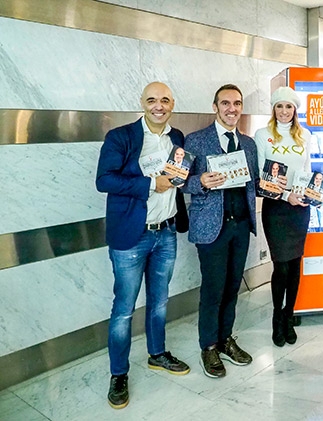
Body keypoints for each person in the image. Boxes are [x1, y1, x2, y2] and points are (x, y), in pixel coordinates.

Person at [96, 82, 190, 409]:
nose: (158, 105)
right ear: (142, 103)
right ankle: (118, 373)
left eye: (164, 100)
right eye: (152, 100)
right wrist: (151, 183)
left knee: (159, 301)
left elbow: (180, 176)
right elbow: (104, 180)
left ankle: (157, 353)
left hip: (166, 233)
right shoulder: (120, 137)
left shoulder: (177, 138)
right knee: (124, 310)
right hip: (131, 236)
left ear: (172, 104)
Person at [183, 84, 259, 378]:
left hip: (240, 227)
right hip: (211, 227)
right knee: (213, 289)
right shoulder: (196, 140)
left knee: (232, 287)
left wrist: (278, 188)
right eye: (225, 103)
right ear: (215, 107)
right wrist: (200, 181)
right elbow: (180, 181)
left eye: (237, 103)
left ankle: (226, 338)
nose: (232, 109)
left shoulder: (248, 144)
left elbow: (254, 183)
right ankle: (209, 346)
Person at [254, 86, 313, 347]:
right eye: (280, 106)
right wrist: (286, 195)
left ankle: (290, 316)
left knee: (296, 264)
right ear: (274, 108)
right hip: (275, 208)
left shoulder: (305, 135)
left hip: (300, 208)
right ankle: (277, 317)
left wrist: (318, 188)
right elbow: (261, 177)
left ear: (295, 109)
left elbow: (307, 170)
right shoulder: (263, 135)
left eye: (289, 106)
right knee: (281, 266)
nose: (284, 111)